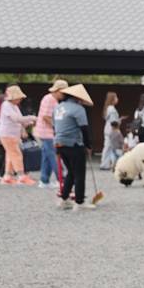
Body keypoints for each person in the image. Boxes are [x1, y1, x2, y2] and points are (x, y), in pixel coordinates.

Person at [53, 84, 95, 212]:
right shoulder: (78, 109)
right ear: (78, 97)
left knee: (71, 172)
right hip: (73, 144)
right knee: (79, 174)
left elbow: (54, 126)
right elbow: (84, 129)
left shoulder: (58, 107)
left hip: (60, 143)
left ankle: (64, 199)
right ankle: (79, 202)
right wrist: (88, 146)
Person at [0, 85, 38, 185]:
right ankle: (21, 176)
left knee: (10, 155)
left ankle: (7, 176)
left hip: (13, 134)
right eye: (18, 97)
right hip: (7, 134)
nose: (20, 99)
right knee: (16, 154)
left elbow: (19, 120)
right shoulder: (6, 105)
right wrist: (31, 117)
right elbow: (16, 119)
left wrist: (28, 122)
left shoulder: (14, 106)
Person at [32, 79, 68, 188]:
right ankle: (61, 179)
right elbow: (46, 117)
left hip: (43, 132)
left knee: (46, 156)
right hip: (47, 133)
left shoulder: (49, 98)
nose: (64, 95)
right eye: (64, 92)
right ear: (58, 90)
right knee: (54, 156)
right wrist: (57, 127)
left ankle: (44, 180)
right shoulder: (51, 100)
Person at [99, 91, 121, 169]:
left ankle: (106, 163)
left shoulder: (108, 108)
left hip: (108, 130)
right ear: (112, 99)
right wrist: (118, 122)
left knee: (108, 147)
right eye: (116, 97)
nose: (117, 99)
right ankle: (104, 164)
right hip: (111, 130)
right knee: (108, 147)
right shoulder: (111, 109)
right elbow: (113, 121)